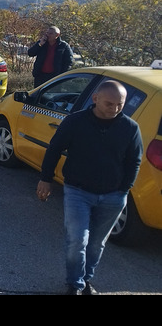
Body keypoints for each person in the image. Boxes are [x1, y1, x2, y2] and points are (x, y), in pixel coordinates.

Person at [36, 80, 142, 295]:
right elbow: (54, 148)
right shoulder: (75, 122)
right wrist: (45, 178)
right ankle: (74, 284)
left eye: (119, 105)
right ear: (95, 99)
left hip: (113, 196)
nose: (114, 109)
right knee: (77, 240)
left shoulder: (129, 127)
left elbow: (134, 160)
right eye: (109, 104)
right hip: (78, 191)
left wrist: (124, 189)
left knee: (96, 244)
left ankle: (85, 279)